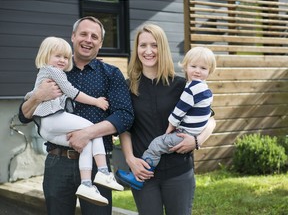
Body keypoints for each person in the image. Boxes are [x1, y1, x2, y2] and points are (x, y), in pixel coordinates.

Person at [18, 16, 134, 215]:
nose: (88, 39)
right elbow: (24, 116)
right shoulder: (56, 67)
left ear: (100, 43)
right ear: (73, 37)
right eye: (83, 34)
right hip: (58, 162)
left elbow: (124, 115)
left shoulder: (111, 73)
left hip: (98, 165)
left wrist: (87, 133)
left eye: (94, 36)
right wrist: (37, 97)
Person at [115, 24, 216, 215]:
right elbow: (124, 128)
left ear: (162, 48)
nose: (148, 51)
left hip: (179, 172)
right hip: (143, 174)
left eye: (154, 45)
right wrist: (130, 160)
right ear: (136, 49)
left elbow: (210, 119)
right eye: (143, 45)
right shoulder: (128, 87)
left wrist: (196, 141)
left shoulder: (182, 85)